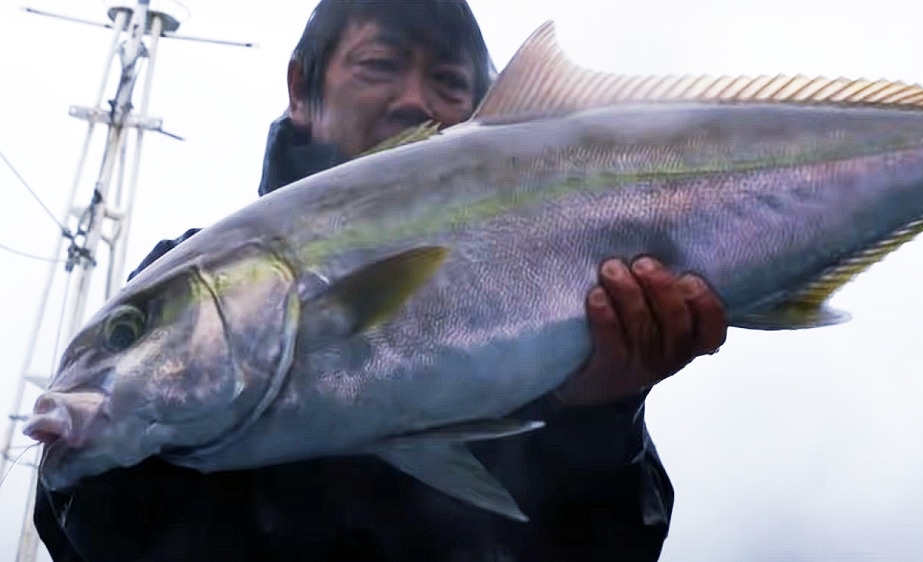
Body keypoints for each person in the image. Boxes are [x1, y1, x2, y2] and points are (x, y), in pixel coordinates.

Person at [34, 1, 728, 561]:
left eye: (450, 84)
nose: (413, 101)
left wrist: (603, 416)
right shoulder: (190, 266)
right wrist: (120, 453)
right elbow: (91, 534)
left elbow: (610, 549)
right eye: (380, 65)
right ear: (301, 90)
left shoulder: (556, 323)